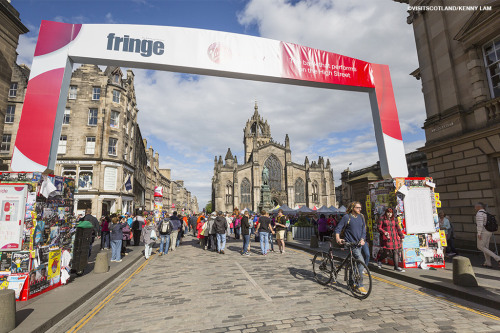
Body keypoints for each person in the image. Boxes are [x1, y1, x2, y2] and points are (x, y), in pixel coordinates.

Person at [335, 201, 368, 295]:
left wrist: (362, 239)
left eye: (360, 208)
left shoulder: (361, 217)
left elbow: (363, 230)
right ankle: (359, 285)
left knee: (353, 263)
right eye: (358, 207)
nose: (360, 209)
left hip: (359, 244)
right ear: (353, 208)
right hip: (351, 244)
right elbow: (338, 228)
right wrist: (338, 238)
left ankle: (351, 282)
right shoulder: (347, 217)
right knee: (361, 263)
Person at [376, 208, 405, 272]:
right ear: (386, 212)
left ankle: (396, 267)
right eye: (388, 213)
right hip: (387, 238)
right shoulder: (382, 218)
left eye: (391, 213)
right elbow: (378, 228)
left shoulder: (394, 219)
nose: (389, 214)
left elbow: (398, 228)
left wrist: (401, 236)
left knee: (395, 251)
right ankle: (379, 260)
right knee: (387, 252)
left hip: (394, 238)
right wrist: (384, 232)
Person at [475, 202, 500, 268]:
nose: (474, 207)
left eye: (475, 206)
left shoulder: (479, 214)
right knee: (485, 247)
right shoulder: (486, 213)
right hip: (489, 231)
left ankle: (497, 258)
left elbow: (480, 225)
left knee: (480, 247)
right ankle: (488, 263)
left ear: (479, 207)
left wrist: (479, 233)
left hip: (483, 232)